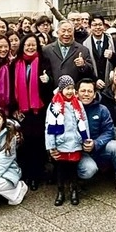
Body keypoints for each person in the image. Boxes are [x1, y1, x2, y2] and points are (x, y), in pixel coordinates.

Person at [76, 78, 116, 196]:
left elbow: (109, 132)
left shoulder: (102, 110)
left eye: (89, 91)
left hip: (98, 148)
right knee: (89, 170)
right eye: (83, 91)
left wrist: (96, 143)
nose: (86, 94)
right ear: (77, 93)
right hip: (79, 151)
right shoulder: (71, 110)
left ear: (95, 94)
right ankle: (76, 179)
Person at [10, 34, 53, 190]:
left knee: (38, 142)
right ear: (23, 45)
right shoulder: (15, 63)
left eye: (33, 45)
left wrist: (47, 81)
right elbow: (11, 87)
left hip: (38, 110)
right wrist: (14, 108)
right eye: (27, 44)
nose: (30, 47)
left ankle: (36, 175)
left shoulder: (43, 61)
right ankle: (26, 173)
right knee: (24, 143)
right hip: (22, 110)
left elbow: (50, 84)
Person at [46, 75, 89, 206]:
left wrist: (85, 139)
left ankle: (74, 190)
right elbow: (49, 126)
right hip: (61, 142)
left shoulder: (78, 104)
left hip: (74, 142)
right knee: (60, 168)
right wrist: (51, 145)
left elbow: (84, 121)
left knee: (73, 168)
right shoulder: (54, 105)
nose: (70, 91)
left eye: (71, 88)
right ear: (61, 90)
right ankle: (60, 191)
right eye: (66, 89)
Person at [43, 20, 94, 84]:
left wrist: (83, 65)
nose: (66, 34)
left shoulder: (83, 50)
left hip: (74, 91)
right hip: (53, 90)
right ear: (57, 32)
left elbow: (91, 72)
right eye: (63, 31)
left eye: (69, 31)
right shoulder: (47, 50)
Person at [82, 14, 116, 89]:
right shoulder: (85, 44)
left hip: (112, 84)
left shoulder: (113, 41)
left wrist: (113, 56)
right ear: (90, 27)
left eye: (100, 24)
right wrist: (95, 80)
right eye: (94, 25)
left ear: (104, 26)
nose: (97, 27)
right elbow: (86, 67)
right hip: (93, 85)